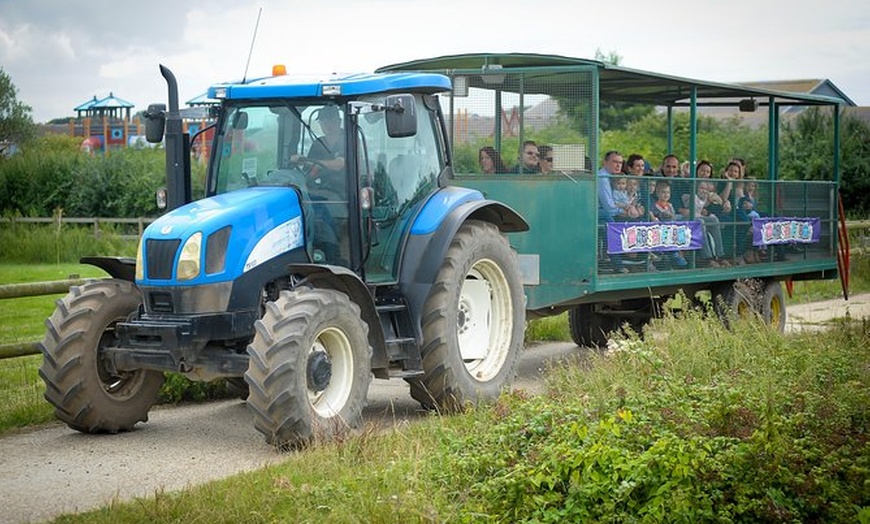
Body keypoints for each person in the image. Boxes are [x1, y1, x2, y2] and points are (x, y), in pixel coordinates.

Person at [649, 180, 688, 268]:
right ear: (657, 193)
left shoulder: (670, 205)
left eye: (668, 192)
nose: (666, 195)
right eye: (663, 192)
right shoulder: (655, 206)